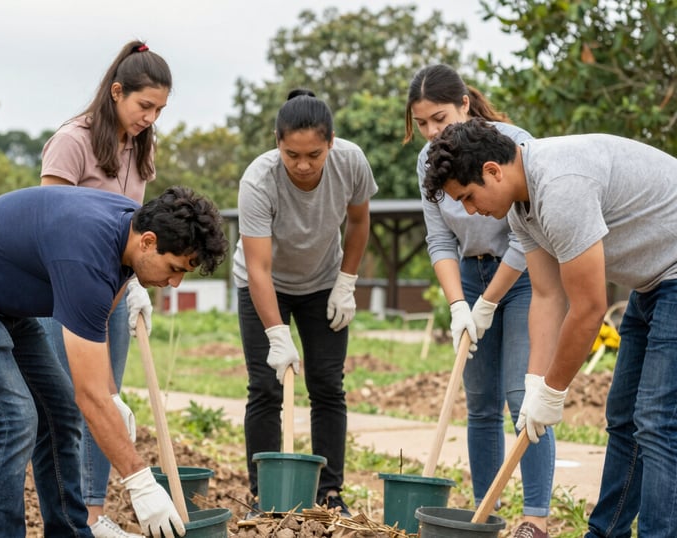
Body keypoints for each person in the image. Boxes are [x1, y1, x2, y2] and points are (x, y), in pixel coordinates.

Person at [0, 185, 228, 538]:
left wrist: (111, 394)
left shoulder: (128, 231)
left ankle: (71, 533)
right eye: (174, 268)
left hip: (0, 297)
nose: (176, 283)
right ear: (148, 242)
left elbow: (98, 323)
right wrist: (141, 482)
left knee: (58, 412)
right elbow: (88, 396)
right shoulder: (86, 256)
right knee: (12, 419)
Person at [422, 117, 677, 538]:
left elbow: (590, 306)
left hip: (671, 275)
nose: (470, 211)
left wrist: (555, 391)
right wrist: (535, 384)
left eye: (468, 197)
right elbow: (547, 296)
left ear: (492, 170)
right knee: (623, 417)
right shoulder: (523, 208)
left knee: (656, 419)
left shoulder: (559, 187)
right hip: (653, 282)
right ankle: (605, 533)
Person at [404, 65, 554, 538]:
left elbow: (524, 237)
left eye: (440, 117)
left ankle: (535, 517)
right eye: (422, 122)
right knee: (481, 402)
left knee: (520, 395)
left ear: (466, 104)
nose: (431, 132)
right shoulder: (430, 160)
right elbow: (439, 240)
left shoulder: (512, 144)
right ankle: (483, 516)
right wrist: (457, 304)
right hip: (469, 275)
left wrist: (488, 302)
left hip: (526, 273)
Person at [39, 39, 171, 537]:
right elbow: (48, 223)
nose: (151, 117)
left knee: (108, 401)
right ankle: (70, 514)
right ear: (117, 92)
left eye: (159, 109)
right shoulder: (72, 141)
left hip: (113, 290)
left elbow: (135, 222)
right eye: (144, 105)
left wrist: (134, 281)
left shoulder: (141, 144)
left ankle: (94, 516)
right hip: (66, 293)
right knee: (76, 401)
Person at [232, 88, 378, 517]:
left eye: (313, 154)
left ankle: (329, 493)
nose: (301, 165)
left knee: (328, 386)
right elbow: (258, 268)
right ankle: (263, 495)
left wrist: (346, 282)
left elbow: (358, 220)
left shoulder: (351, 161)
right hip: (265, 283)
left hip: (323, 282)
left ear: (331, 142)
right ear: (277, 142)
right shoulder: (258, 180)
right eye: (291, 153)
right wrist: (277, 334)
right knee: (264, 388)